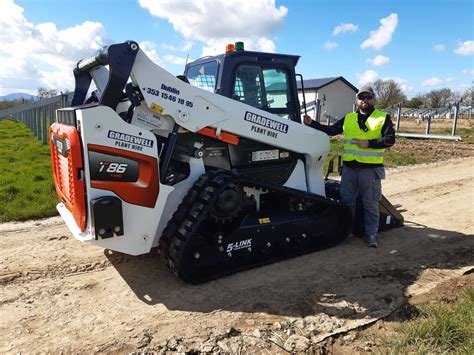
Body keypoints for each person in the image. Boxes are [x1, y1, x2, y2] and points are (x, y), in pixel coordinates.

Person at [303, 85, 395, 248]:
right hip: (349, 170)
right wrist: (312, 124)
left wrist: (370, 144)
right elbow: (332, 130)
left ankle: (371, 234)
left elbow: (390, 139)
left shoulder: (382, 118)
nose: (364, 100)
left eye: (368, 97)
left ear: (373, 99)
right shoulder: (349, 118)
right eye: (361, 97)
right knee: (347, 203)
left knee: (370, 204)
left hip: (370, 171)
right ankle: (347, 232)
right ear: (356, 100)